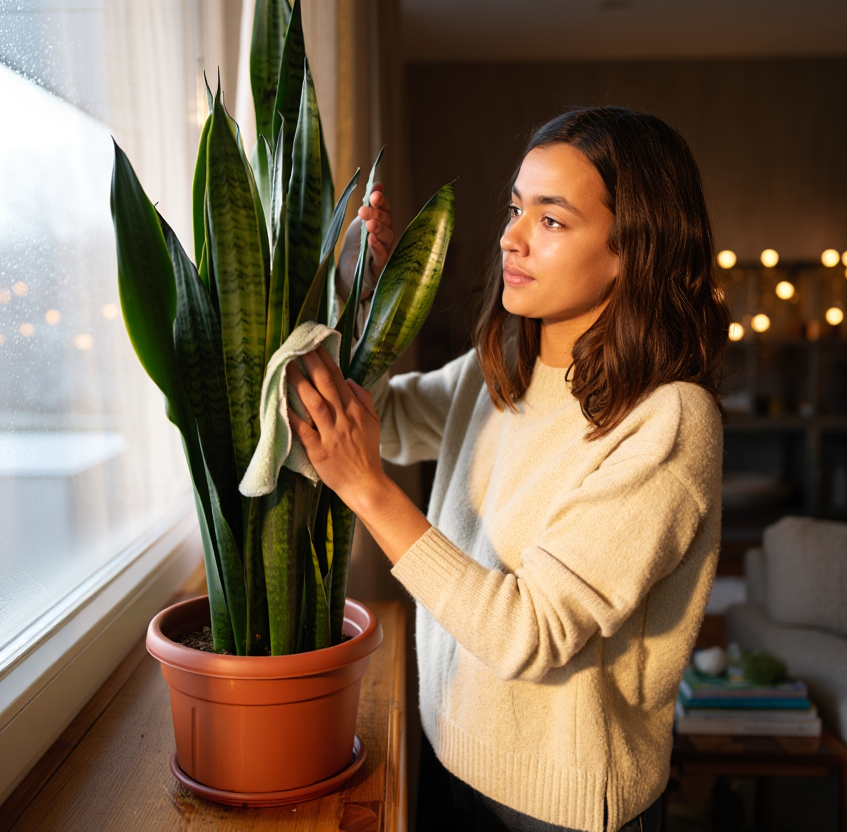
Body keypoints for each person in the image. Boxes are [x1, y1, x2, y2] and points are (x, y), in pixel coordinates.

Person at [285, 106, 730, 832]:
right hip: (447, 755)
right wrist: (360, 290)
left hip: (560, 811)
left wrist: (367, 491)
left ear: (633, 248)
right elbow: (377, 420)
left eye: (551, 220)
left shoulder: (669, 420)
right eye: (516, 208)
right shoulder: (503, 367)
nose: (510, 237)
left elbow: (531, 632)